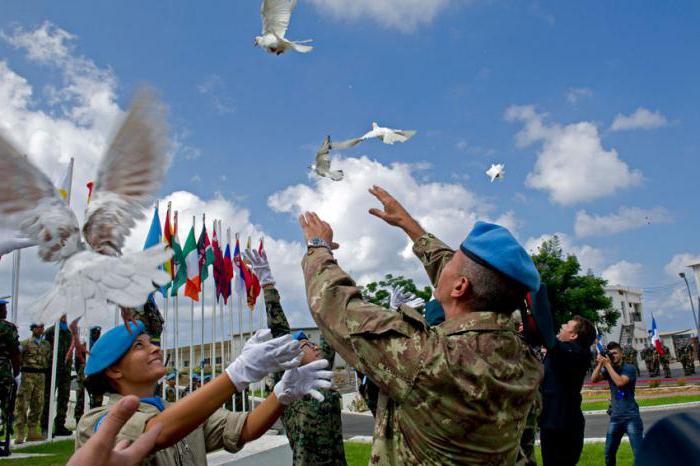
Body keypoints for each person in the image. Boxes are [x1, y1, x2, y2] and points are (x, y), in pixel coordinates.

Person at [297, 185, 543, 465]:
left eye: (453, 262)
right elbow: (466, 277)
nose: (445, 264)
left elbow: (333, 304)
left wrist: (318, 247)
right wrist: (411, 228)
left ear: (460, 287)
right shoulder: (524, 358)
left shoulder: (429, 357)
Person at [77, 320, 332, 465]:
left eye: (152, 342)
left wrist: (281, 393)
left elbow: (244, 428)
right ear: (114, 370)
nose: (154, 349)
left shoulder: (175, 410)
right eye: (138, 346)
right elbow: (157, 432)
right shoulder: (97, 420)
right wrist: (237, 374)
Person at [245, 248, 347, 466]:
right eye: (306, 345)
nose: (314, 346)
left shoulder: (322, 372)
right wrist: (268, 286)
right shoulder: (290, 382)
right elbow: (280, 331)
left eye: (313, 343)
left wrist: (328, 267)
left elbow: (331, 328)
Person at [591, 341, 644, 465]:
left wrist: (607, 365)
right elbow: (594, 379)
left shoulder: (629, 368)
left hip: (631, 417)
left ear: (621, 354)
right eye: (611, 354)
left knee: (638, 453)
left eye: (615, 353)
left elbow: (620, 382)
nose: (613, 355)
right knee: (609, 453)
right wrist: (600, 364)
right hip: (615, 417)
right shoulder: (609, 368)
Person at [14, 323, 50, 443]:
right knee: (22, 403)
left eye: (42, 327)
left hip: (41, 375)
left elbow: (48, 359)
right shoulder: (25, 343)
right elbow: (18, 357)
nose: (40, 329)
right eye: (38, 327)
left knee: (38, 403)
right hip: (27, 375)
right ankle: (20, 432)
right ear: (33, 329)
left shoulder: (46, 344)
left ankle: (32, 431)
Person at [41, 314, 73, 437]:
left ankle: (60, 424)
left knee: (64, 397)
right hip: (52, 370)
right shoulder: (50, 332)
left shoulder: (69, 333)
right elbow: (44, 351)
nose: (65, 317)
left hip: (65, 370)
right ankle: (45, 426)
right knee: (48, 398)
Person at [75, 326, 104, 426]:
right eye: (96, 332)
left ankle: (94, 421)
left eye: (99, 333)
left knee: (97, 399)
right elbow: (77, 361)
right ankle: (79, 421)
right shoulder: (85, 345)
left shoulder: (100, 345)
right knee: (81, 398)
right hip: (84, 372)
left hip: (96, 374)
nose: (98, 334)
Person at [0, 298, 20, 446]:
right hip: (3, 371)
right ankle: (4, 440)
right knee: (6, 405)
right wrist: (17, 372)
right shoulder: (8, 328)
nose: (6, 311)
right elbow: (14, 352)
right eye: (4, 308)